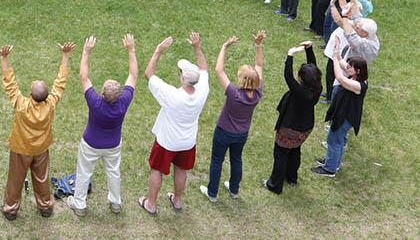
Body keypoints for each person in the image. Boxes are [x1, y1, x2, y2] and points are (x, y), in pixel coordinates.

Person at [0, 42, 75, 220]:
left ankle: (11, 209)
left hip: (20, 149)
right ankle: (45, 207)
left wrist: (4, 58)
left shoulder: (21, 104)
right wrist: (65, 55)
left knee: (15, 180)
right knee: (42, 178)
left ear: (31, 94)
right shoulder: (50, 104)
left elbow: (9, 83)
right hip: (41, 149)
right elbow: (60, 83)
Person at [137, 32, 209, 215]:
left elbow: (148, 74)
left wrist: (158, 51)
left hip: (167, 141)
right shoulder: (202, 90)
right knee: (181, 169)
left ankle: (151, 204)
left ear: (183, 79)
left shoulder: (172, 95)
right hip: (188, 141)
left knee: (156, 170)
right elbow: (204, 68)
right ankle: (177, 200)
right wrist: (197, 47)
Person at [66, 35, 137, 216]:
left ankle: (80, 204)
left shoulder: (95, 101)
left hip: (90, 144)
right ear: (118, 94)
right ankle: (115, 203)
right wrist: (131, 50)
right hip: (113, 145)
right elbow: (134, 75)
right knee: (114, 173)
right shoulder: (124, 102)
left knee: (84, 173)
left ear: (102, 93)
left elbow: (83, 76)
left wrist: (86, 51)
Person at [199, 31, 265, 202]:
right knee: (236, 159)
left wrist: (224, 47)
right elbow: (259, 66)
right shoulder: (258, 92)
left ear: (242, 80)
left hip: (223, 132)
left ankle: (212, 193)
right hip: (242, 134)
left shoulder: (234, 93)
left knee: (216, 160)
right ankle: (234, 189)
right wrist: (258, 45)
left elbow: (218, 70)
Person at [263, 41, 322, 194]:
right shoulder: (317, 88)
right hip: (305, 128)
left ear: (303, 78)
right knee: (295, 150)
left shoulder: (300, 91)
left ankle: (274, 185)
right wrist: (309, 49)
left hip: (291, 128)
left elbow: (288, 76)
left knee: (281, 154)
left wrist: (290, 55)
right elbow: (313, 68)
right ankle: (291, 177)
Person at [313, 38, 369, 178]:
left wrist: (334, 60)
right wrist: (337, 52)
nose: (347, 68)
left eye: (350, 67)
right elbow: (342, 64)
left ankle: (330, 169)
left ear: (357, 70)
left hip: (345, 117)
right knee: (338, 140)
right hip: (342, 114)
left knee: (334, 140)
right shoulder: (355, 76)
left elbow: (340, 77)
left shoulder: (359, 85)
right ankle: (333, 162)